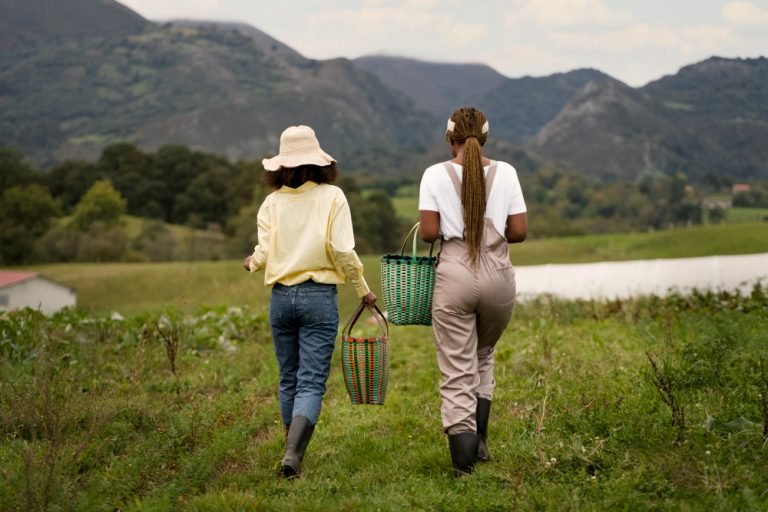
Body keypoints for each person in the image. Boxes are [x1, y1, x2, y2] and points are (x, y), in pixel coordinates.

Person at [243, 125, 377, 479]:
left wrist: (253, 262)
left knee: (288, 377)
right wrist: (362, 288)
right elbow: (342, 250)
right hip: (318, 297)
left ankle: (290, 449)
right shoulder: (333, 197)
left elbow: (265, 249)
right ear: (320, 163)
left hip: (281, 298)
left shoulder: (272, 203)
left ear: (280, 166)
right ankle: (292, 454)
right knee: (312, 380)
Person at [418, 107, 528, 476]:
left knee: (457, 368)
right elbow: (519, 231)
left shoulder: (434, 174)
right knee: (483, 354)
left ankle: (462, 466)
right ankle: (480, 445)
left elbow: (430, 233)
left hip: (455, 276)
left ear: (449, 139)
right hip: (498, 276)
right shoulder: (507, 172)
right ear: (484, 139)